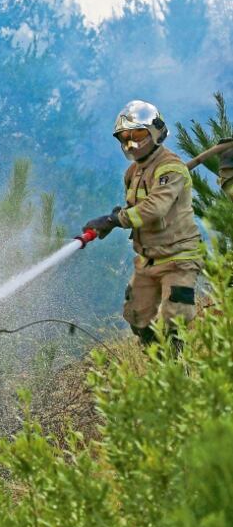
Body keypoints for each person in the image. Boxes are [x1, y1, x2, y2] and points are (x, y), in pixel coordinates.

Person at [85, 100, 202, 347]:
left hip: (179, 258)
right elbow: (137, 209)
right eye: (124, 138)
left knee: (174, 325)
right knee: (137, 318)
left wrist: (115, 220)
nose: (131, 144)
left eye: (138, 135)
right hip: (148, 259)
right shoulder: (133, 172)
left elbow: (155, 207)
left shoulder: (171, 167)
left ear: (156, 131)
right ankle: (158, 369)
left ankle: (180, 377)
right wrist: (117, 217)